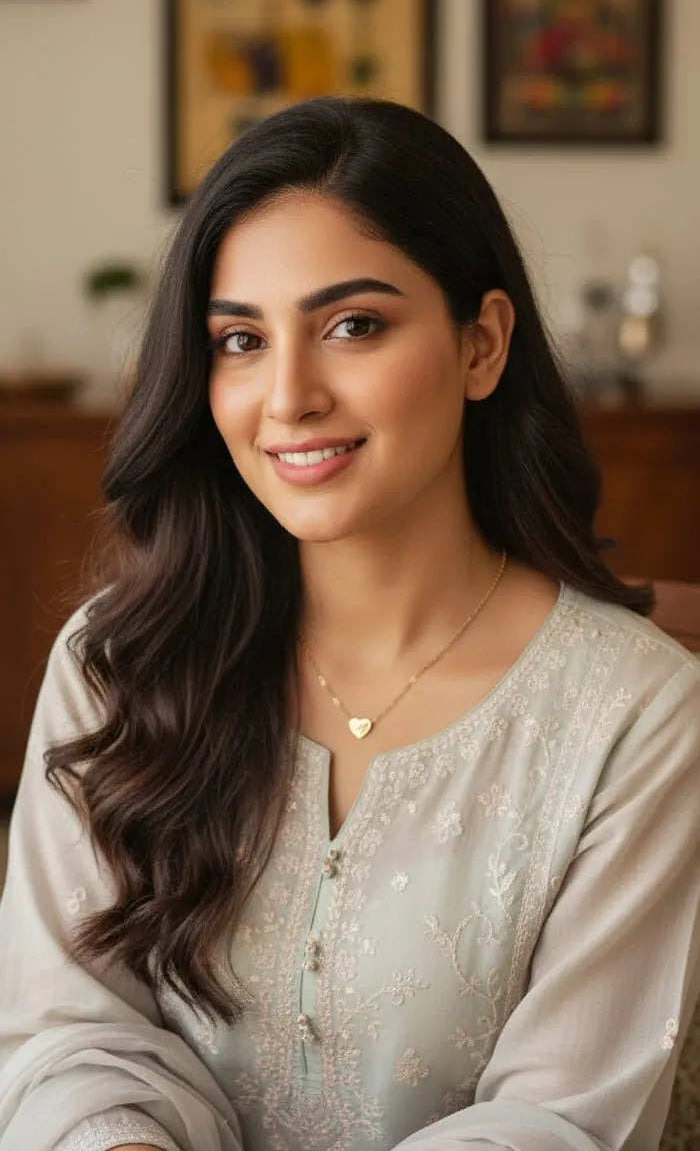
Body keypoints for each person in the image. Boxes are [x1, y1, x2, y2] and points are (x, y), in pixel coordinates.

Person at [0, 96, 698, 1151]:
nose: (287, 395)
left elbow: (555, 1118)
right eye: (239, 339)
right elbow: (65, 1032)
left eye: (352, 326)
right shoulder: (117, 662)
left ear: (481, 344)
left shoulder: (634, 716)